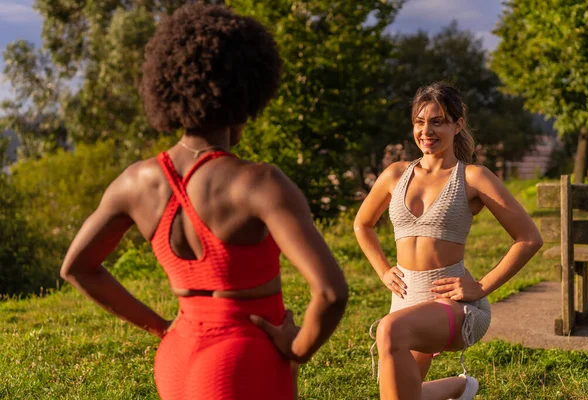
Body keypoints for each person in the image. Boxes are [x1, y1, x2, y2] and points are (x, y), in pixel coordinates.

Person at [60, 4, 348, 400]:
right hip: (242, 360)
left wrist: (161, 327)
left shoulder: (134, 182)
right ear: (247, 91)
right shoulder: (260, 183)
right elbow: (331, 293)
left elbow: (77, 267)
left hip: (176, 357)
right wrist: (296, 348)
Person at [353, 82, 543, 400]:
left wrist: (481, 287)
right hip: (405, 301)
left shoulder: (472, 177)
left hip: (455, 306)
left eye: (437, 121)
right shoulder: (395, 175)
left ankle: (460, 384)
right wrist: (384, 270)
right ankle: (461, 387)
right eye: (420, 121)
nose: (426, 131)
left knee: (388, 329)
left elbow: (529, 238)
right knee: (401, 395)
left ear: (458, 125)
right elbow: (362, 224)